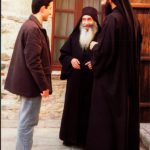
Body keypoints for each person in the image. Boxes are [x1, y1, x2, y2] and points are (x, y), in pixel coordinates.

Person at [86, 0, 142, 150]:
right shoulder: (133, 20)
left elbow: (105, 53)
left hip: (109, 85)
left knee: (106, 128)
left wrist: (94, 47)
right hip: (124, 84)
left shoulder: (113, 19)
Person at [4, 0, 53, 149]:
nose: (51, 12)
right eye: (50, 8)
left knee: (25, 123)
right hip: (32, 86)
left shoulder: (30, 25)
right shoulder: (33, 29)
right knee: (27, 124)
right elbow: (33, 61)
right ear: (43, 8)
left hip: (29, 84)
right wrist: (44, 85)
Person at [59, 6, 101, 148]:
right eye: (84, 19)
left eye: (89, 19)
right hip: (75, 82)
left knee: (89, 110)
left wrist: (95, 63)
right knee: (73, 109)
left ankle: (86, 140)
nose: (86, 22)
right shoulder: (74, 36)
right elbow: (63, 54)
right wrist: (70, 60)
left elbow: (107, 57)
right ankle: (70, 138)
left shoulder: (101, 37)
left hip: (92, 83)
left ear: (95, 21)